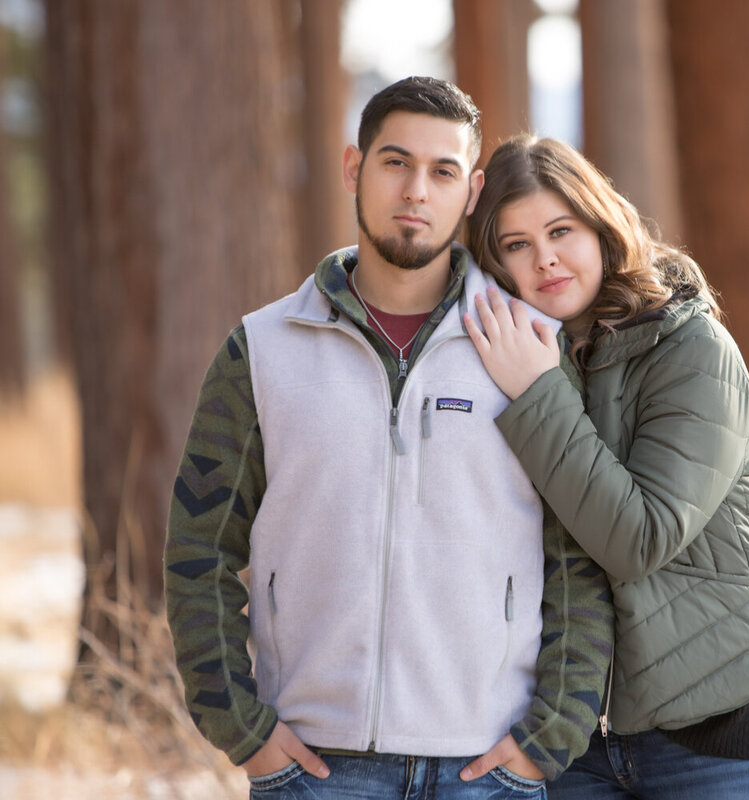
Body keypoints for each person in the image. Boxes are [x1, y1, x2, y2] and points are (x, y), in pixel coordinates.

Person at [163, 79, 612, 799]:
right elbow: (199, 547)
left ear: (470, 193)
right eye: (395, 163)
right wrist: (240, 729)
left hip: (487, 769)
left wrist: (550, 736)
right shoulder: (264, 349)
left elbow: (577, 559)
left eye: (442, 172)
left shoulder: (528, 347)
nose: (415, 191)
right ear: (353, 168)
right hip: (315, 766)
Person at [459, 135, 749, 799]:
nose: (545, 259)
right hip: (573, 743)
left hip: (718, 729)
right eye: (516, 244)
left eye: (561, 230)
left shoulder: (690, 346)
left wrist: (539, 397)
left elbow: (639, 538)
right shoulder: (519, 360)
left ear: (600, 224)